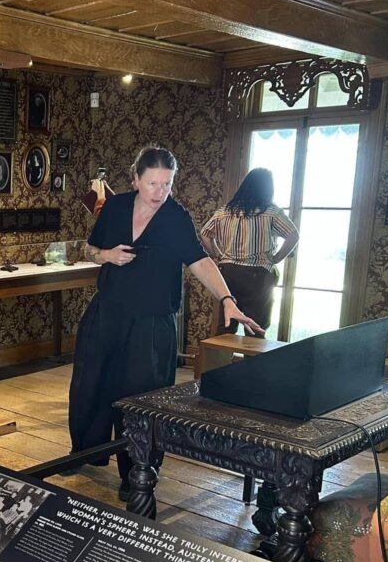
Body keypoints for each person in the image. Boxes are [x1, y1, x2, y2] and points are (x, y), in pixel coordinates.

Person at [68, 145, 261, 499]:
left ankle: (137, 470)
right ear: (135, 179)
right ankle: (85, 451)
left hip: (152, 324)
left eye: (167, 184)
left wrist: (227, 300)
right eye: (153, 183)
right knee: (91, 386)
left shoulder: (175, 217)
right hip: (107, 313)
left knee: (141, 398)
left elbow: (200, 261)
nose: (159, 192)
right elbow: (88, 249)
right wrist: (106, 255)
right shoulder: (115, 206)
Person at [200, 168, 299, 337]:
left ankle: (222, 364)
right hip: (258, 276)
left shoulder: (225, 211)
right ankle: (252, 364)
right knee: (255, 329)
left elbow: (204, 234)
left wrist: (217, 254)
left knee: (226, 328)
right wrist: (276, 258)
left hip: (228, 273)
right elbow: (293, 235)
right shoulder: (271, 212)